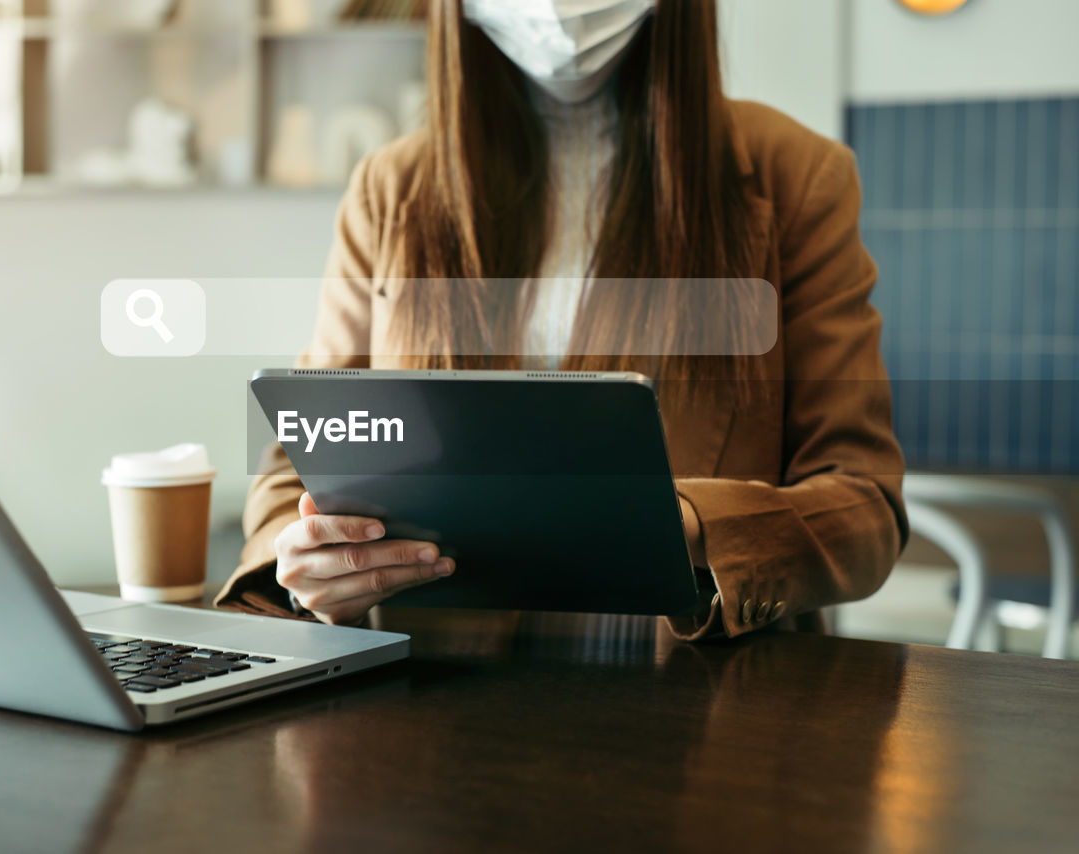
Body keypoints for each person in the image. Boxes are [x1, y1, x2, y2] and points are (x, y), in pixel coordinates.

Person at [214, 0, 908, 640]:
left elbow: (864, 503)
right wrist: (302, 561)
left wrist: (692, 527)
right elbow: (295, 461)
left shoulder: (796, 177)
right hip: (434, 721)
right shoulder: (390, 189)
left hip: (703, 723)